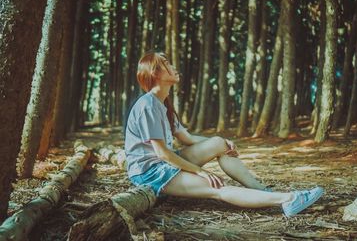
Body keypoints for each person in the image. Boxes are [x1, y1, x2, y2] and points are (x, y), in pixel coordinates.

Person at [124, 51, 323, 217]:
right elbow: (162, 154)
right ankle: (288, 199)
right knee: (216, 187)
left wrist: (224, 143)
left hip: (165, 163)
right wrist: (199, 170)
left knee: (219, 143)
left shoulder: (163, 104)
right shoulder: (147, 105)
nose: (174, 67)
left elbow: (188, 139)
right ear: (155, 73)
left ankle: (262, 191)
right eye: (167, 64)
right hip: (150, 173)